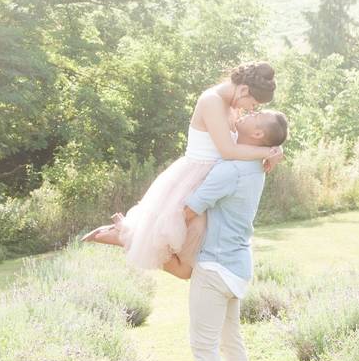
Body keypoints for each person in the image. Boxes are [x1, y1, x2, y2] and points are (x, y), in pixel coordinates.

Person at [81, 62, 283, 275]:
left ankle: (128, 233)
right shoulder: (211, 101)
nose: (251, 109)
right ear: (243, 90)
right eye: (253, 102)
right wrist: (265, 153)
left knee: (187, 267)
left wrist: (274, 148)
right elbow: (227, 150)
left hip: (209, 184)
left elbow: (252, 138)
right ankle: (126, 236)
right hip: (192, 180)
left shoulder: (232, 105)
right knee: (183, 265)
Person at [176, 109, 289, 361]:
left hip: (214, 267)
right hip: (237, 266)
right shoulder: (256, 164)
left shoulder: (231, 170)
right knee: (230, 341)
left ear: (257, 136)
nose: (248, 114)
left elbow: (189, 209)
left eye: (256, 116)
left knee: (204, 348)